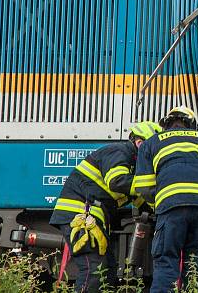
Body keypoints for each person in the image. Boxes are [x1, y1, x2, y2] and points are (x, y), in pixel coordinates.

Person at [50, 120, 161, 292]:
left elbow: (138, 198)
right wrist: (151, 186)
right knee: (93, 270)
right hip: (80, 216)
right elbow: (117, 182)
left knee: (106, 272)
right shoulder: (120, 151)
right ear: (140, 143)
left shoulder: (133, 165)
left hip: (92, 218)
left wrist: (160, 209)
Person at [133, 106, 198, 293]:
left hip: (171, 208)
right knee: (195, 265)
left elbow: (143, 187)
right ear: (192, 124)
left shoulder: (151, 143)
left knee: (166, 263)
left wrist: (162, 199)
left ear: (166, 124)